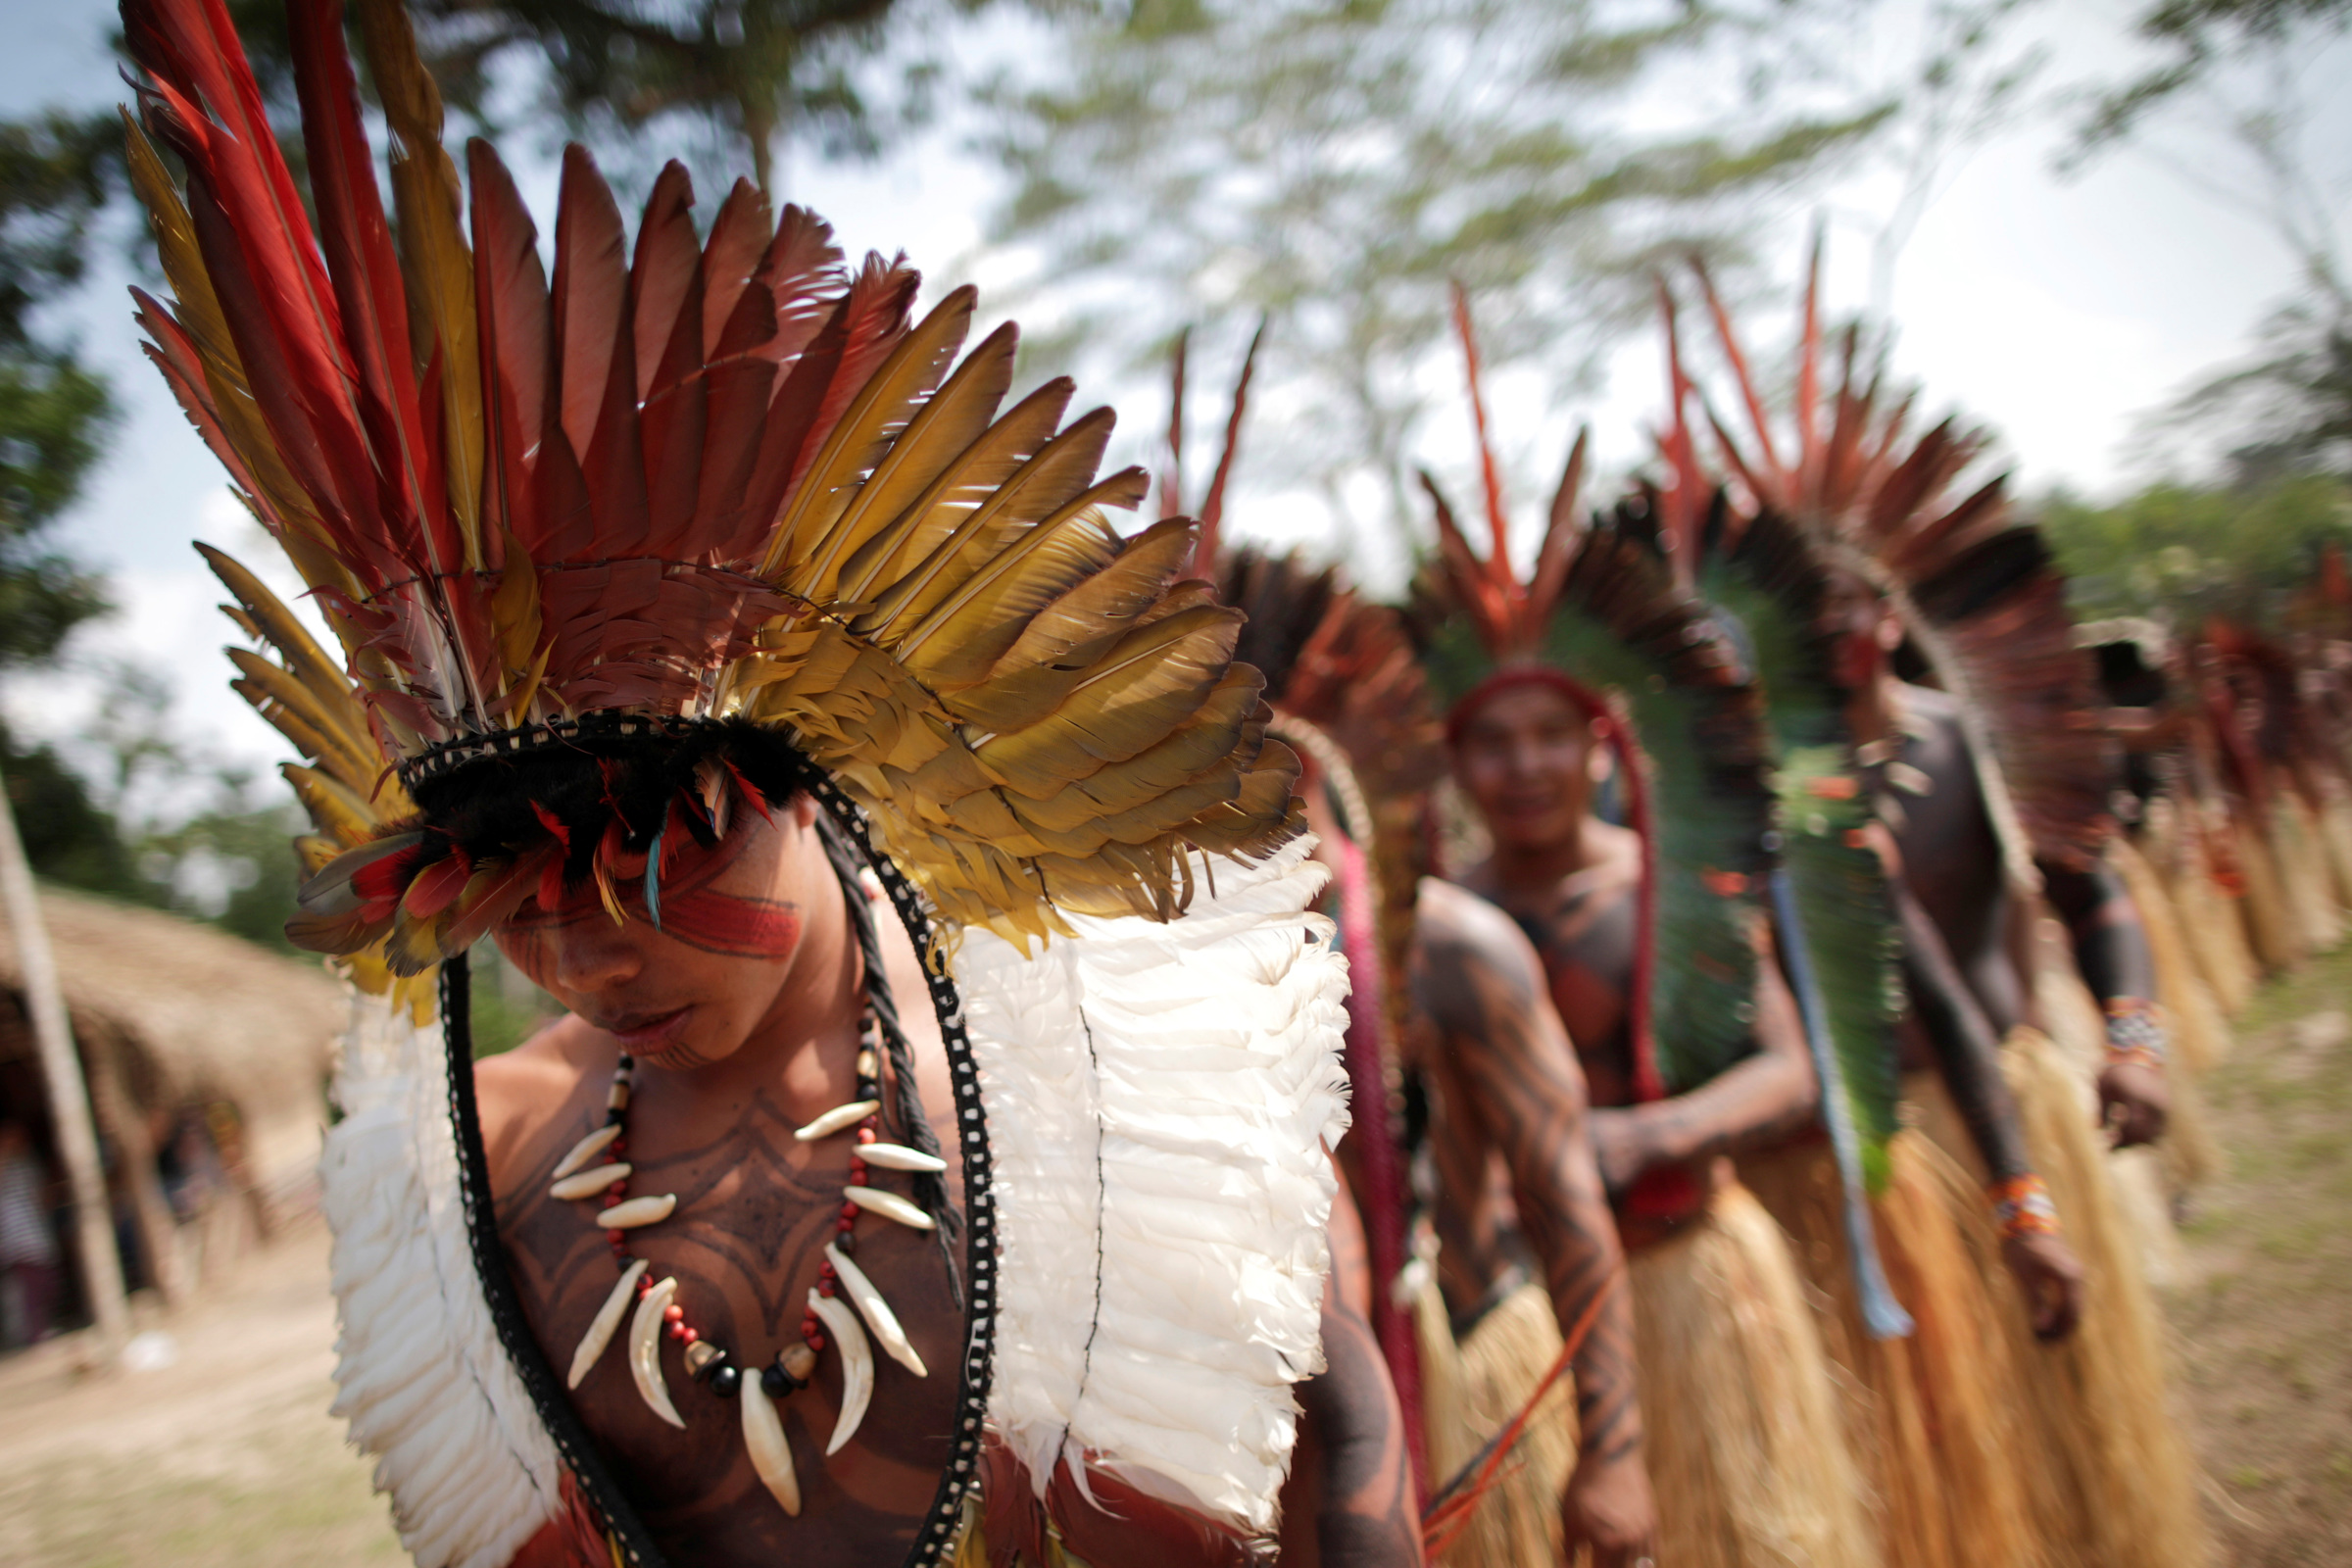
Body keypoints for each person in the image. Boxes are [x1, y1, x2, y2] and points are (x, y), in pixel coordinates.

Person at [124, 1, 1379, 1562]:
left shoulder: (1089, 1085)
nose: (583, 960)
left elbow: (1337, 1424)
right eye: (516, 907)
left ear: (797, 781)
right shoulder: (490, 1145)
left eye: (642, 871)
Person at [1411, 309, 1879, 1568]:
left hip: (1693, 1280)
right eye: (1490, 743)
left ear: (1599, 740)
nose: (1521, 768)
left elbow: (1791, 1067)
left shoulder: (1678, 884)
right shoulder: (1442, 929)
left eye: (1546, 736)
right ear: (1453, 760)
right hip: (1527, 1332)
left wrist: (1631, 1138)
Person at [0, 1121, 59, 1347]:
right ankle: (34, 1335)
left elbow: (42, 1196)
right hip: (13, 1241)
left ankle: (39, 1331)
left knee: (45, 1282)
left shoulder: (26, 1166)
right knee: (26, 1292)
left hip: (35, 1233)